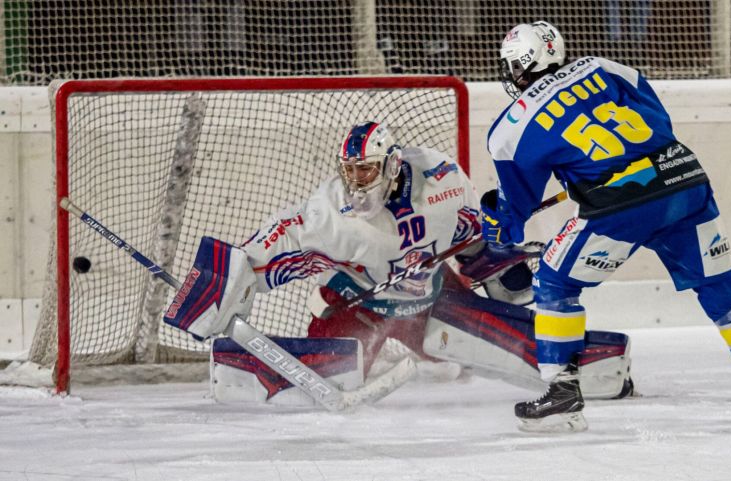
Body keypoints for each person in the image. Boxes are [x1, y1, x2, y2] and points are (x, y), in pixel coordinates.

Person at [164, 120, 634, 403]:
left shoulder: (443, 179)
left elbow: (473, 239)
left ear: (391, 166)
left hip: (431, 299)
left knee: (519, 346)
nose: (355, 181)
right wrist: (214, 292)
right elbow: (256, 256)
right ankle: (243, 366)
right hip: (356, 308)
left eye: (365, 170)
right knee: (328, 376)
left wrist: (505, 274)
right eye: (349, 171)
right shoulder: (328, 214)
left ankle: (599, 370)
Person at [482, 21, 731, 432]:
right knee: (719, 282)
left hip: (621, 204)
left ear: (521, 65)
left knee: (555, 284)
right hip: (684, 180)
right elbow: (658, 118)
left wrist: (497, 223)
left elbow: (515, 210)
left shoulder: (511, 126)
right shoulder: (602, 67)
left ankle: (561, 393)